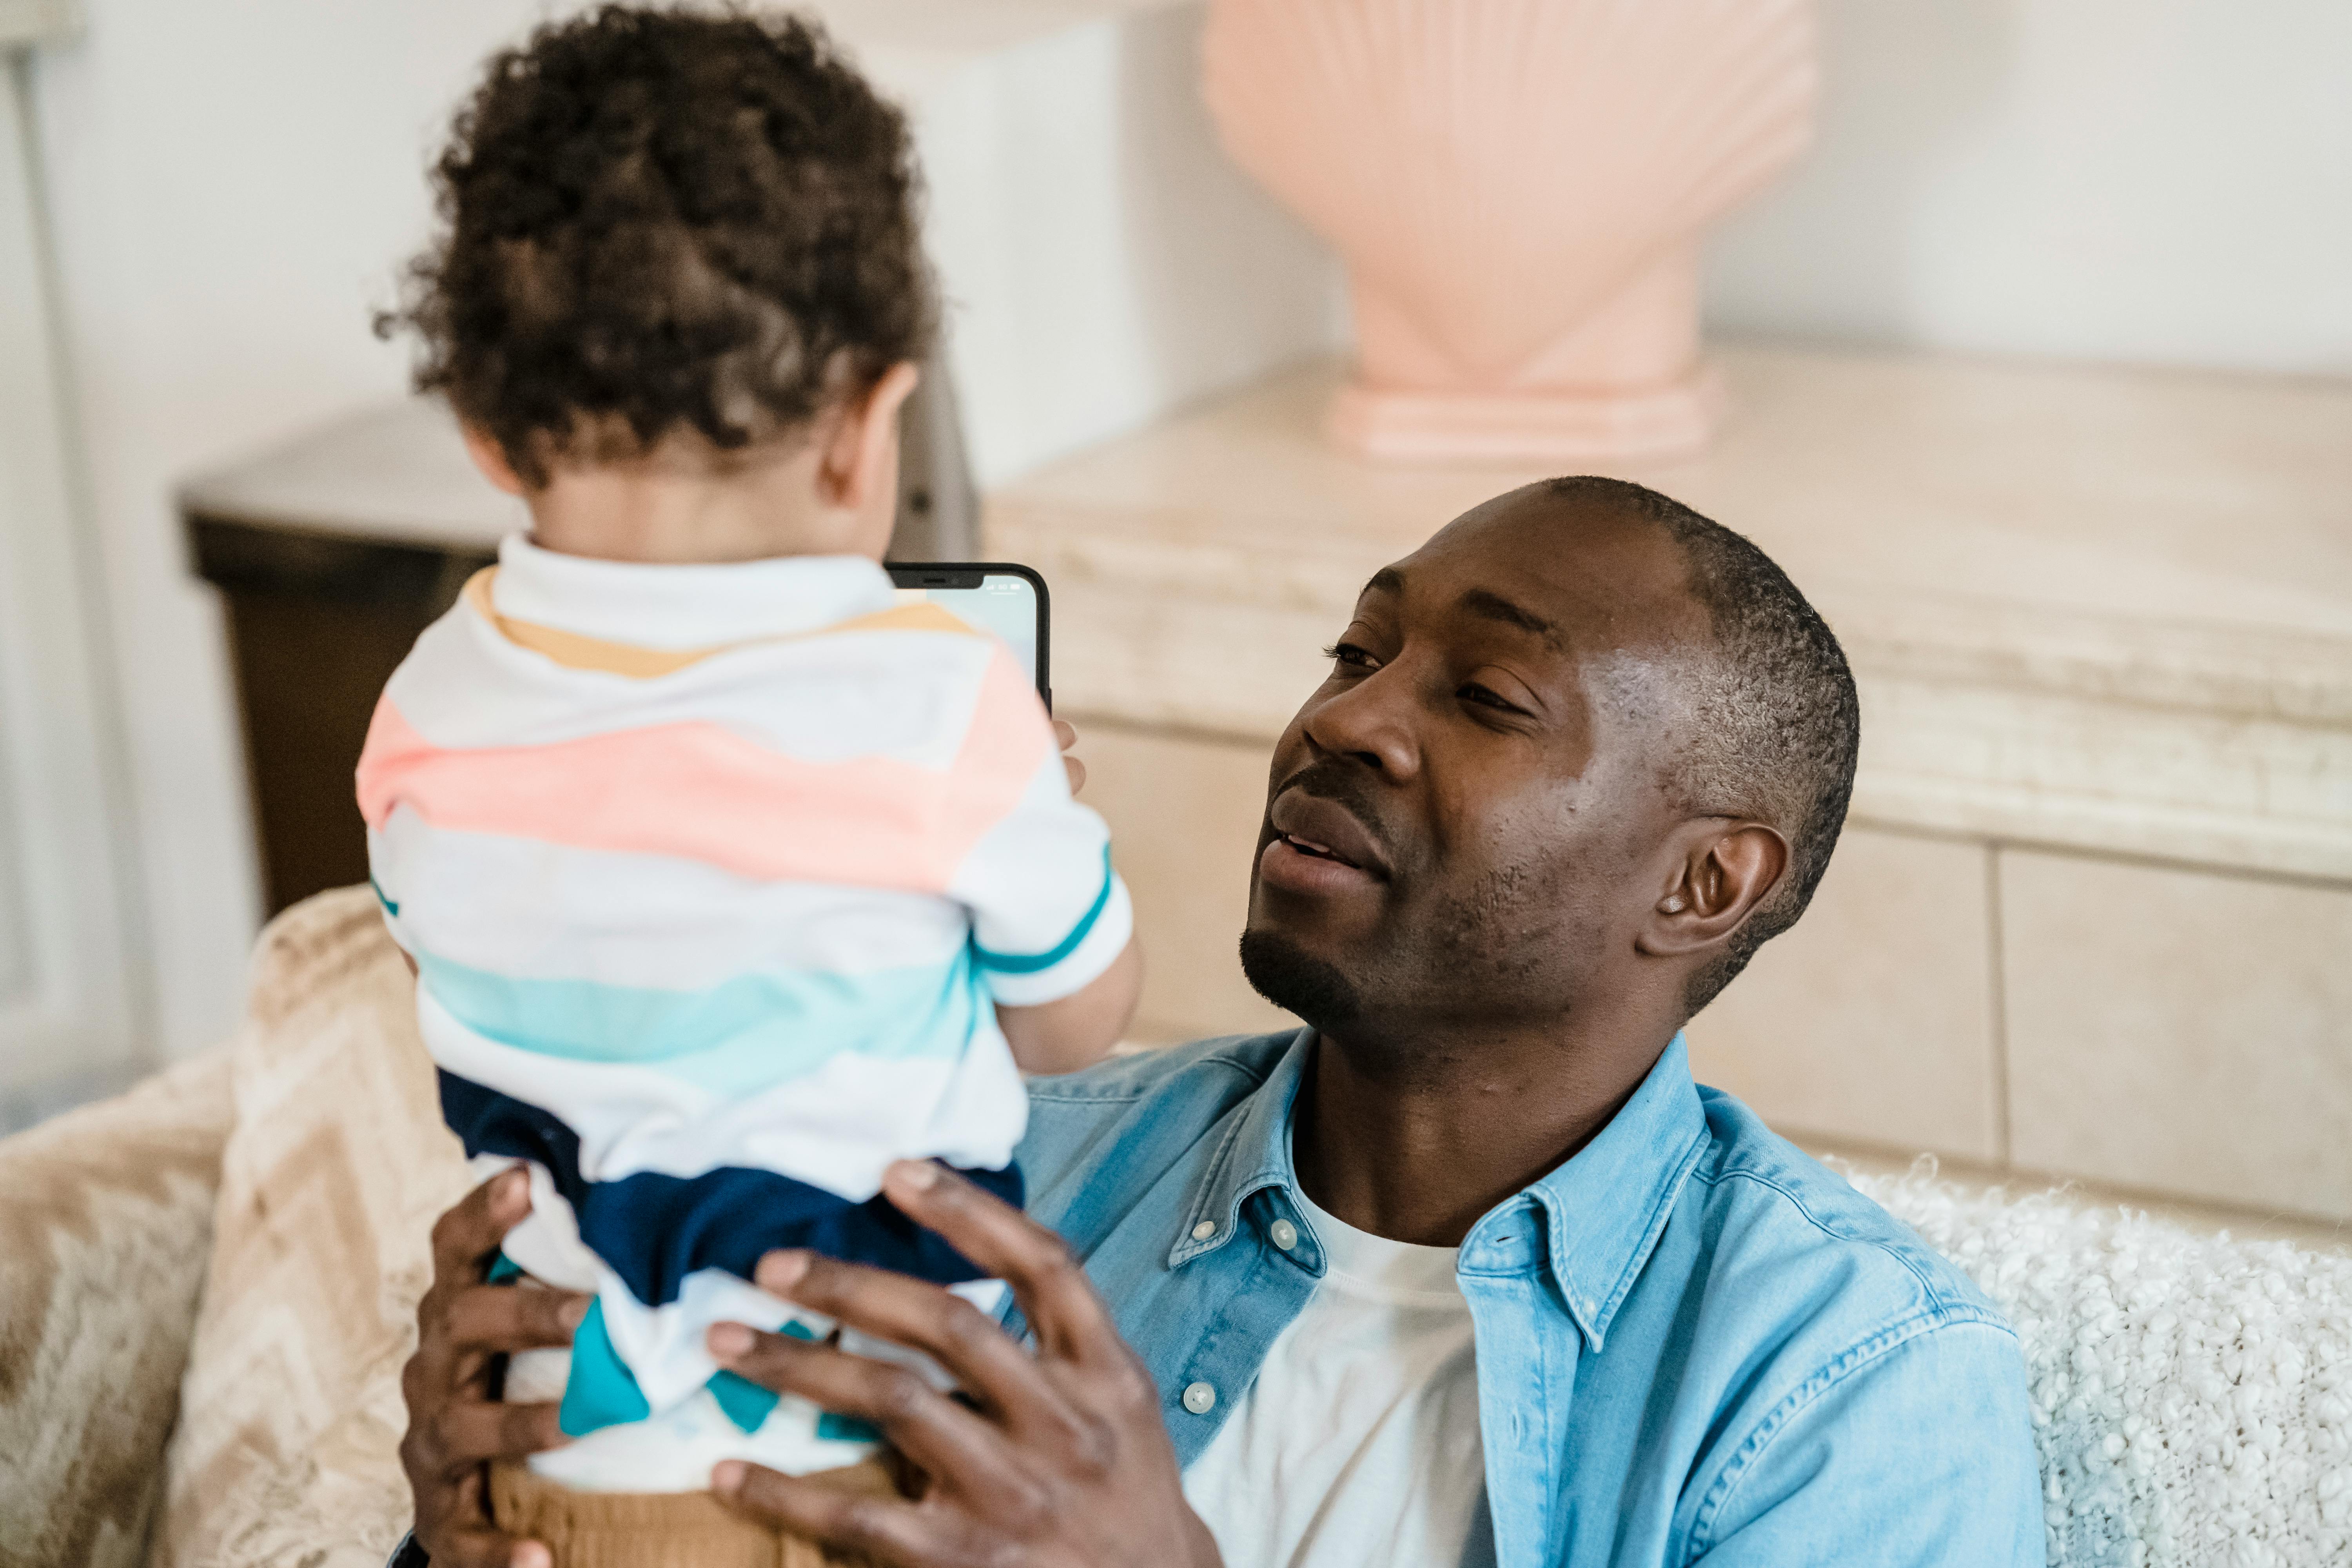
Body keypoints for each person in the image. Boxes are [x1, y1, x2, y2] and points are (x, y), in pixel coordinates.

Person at [392, 475, 2047, 1566]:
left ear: (1703, 885)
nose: (1343, 718)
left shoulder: (1848, 1385)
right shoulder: (978, 1171)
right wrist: (496, 1515)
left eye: (1482, 697)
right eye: (1357, 647)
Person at [360, 9, 1141, 1563]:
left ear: (489, 437)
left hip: (548, 1453)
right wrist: (1033, 811)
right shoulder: (942, 700)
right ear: (868, 434)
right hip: (862, 1452)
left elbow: (445, 947)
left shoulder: (425, 708)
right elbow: (1072, 1023)